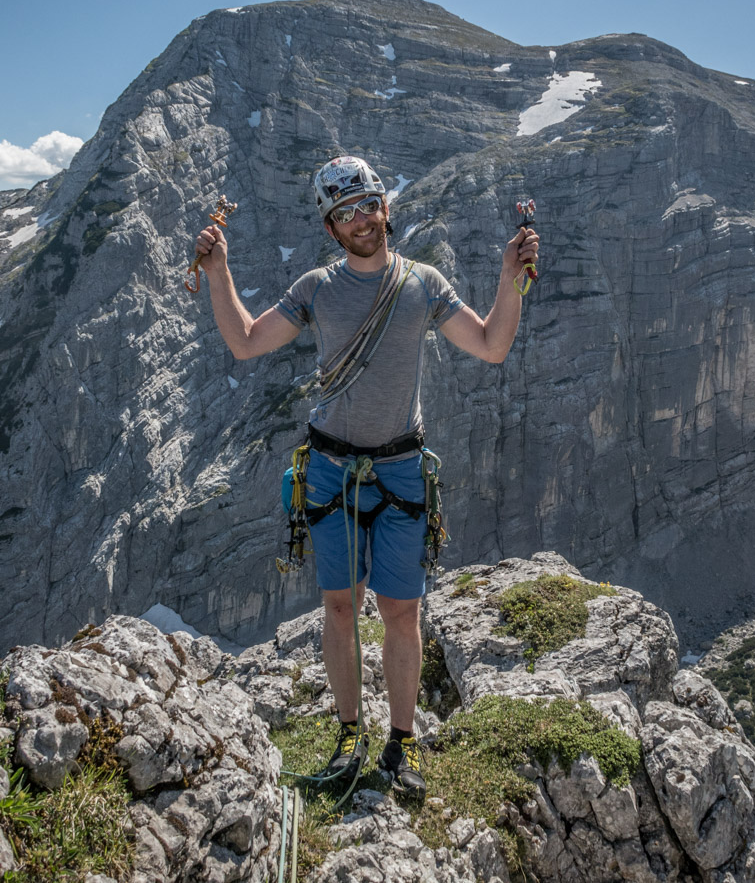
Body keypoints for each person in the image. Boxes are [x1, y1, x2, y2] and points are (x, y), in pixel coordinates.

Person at [195, 155, 536, 798]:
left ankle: (399, 746)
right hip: (332, 469)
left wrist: (508, 277)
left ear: (385, 207)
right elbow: (243, 340)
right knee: (341, 607)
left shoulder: (425, 284)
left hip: (399, 468)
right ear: (332, 228)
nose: (358, 220)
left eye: (365, 205)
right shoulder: (315, 288)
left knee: (401, 614)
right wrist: (219, 271)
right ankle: (350, 734)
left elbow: (491, 343)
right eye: (343, 213)